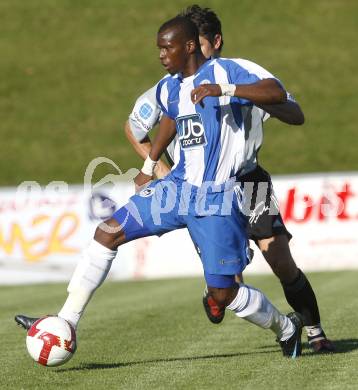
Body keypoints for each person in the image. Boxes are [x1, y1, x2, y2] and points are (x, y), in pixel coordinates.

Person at [16, 16, 304, 358]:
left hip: (217, 198)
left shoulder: (227, 71)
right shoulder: (170, 86)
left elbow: (275, 93)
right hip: (178, 190)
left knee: (223, 295)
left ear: (190, 46)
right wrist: (149, 165)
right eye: (159, 49)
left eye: (167, 47)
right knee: (108, 231)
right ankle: (66, 321)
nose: (161, 55)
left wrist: (224, 90)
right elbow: (170, 119)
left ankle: (287, 328)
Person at [124, 5, 334, 353]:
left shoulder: (241, 72)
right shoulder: (169, 85)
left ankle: (315, 332)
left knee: (280, 259)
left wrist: (233, 90)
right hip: (201, 189)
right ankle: (231, 296)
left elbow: (294, 113)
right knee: (227, 289)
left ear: (214, 42)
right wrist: (160, 169)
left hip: (248, 180)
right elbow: (133, 127)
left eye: (199, 44)